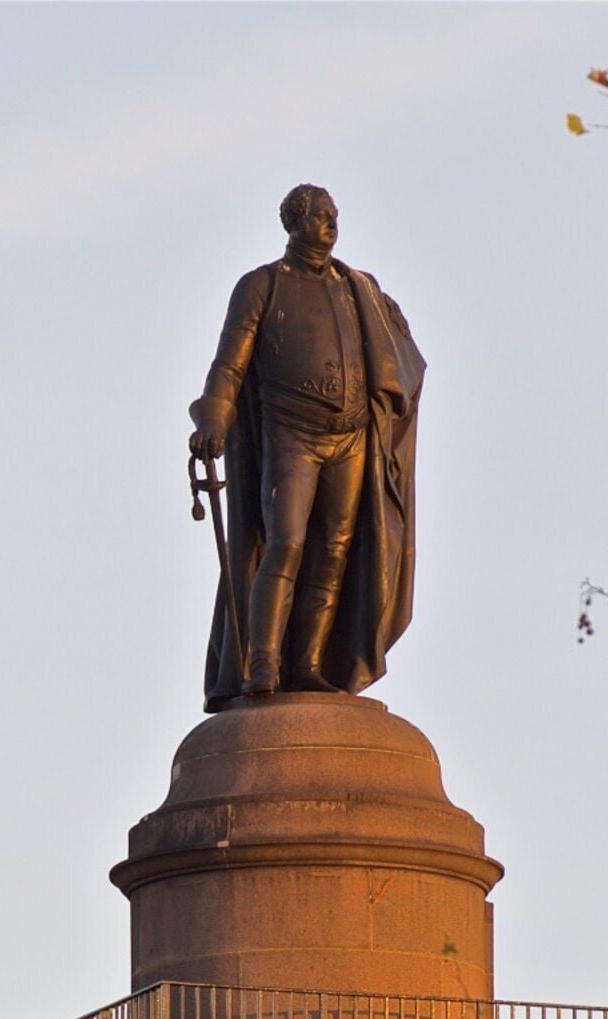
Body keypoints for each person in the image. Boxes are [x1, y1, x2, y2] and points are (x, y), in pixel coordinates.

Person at [189, 185, 426, 707]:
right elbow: (230, 364)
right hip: (290, 433)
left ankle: (310, 664)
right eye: (321, 216)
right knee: (286, 542)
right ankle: (263, 662)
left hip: (352, 435)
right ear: (293, 223)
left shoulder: (356, 288)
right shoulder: (263, 286)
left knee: (334, 551)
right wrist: (213, 415)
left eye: (335, 216)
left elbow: (397, 352)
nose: (331, 225)